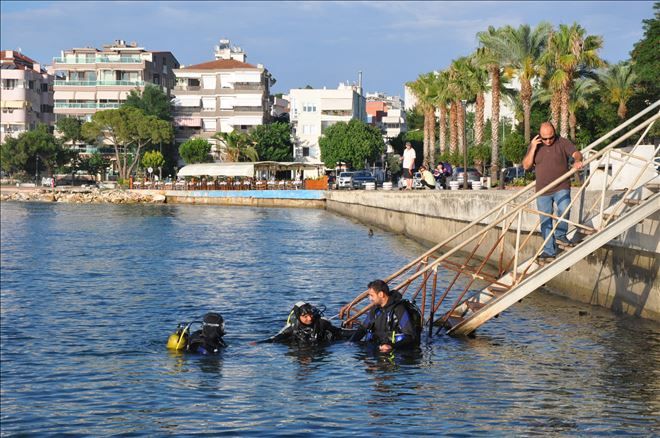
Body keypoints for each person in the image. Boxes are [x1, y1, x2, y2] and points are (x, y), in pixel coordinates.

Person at [522, 122, 583, 260]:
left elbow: (577, 153)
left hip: (561, 186)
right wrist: (533, 148)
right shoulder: (535, 146)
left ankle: (561, 235)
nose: (548, 141)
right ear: (539, 137)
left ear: (555, 133)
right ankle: (549, 250)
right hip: (543, 191)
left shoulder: (562, 142)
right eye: (545, 138)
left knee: (564, 208)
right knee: (545, 221)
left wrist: (577, 160)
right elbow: (526, 166)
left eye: (551, 137)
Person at [350, 280, 422, 353]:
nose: (370, 299)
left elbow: (411, 336)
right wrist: (351, 342)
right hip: (378, 346)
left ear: (381, 294)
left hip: (396, 350)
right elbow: (363, 329)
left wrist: (392, 346)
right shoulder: (375, 309)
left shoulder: (399, 309)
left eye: (372, 295)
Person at [257, 302, 354, 346]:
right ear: (299, 317)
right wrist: (258, 343)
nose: (310, 318)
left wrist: (360, 331)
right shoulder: (292, 327)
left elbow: (339, 332)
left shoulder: (321, 323)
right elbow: (276, 338)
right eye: (305, 316)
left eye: (310, 315)